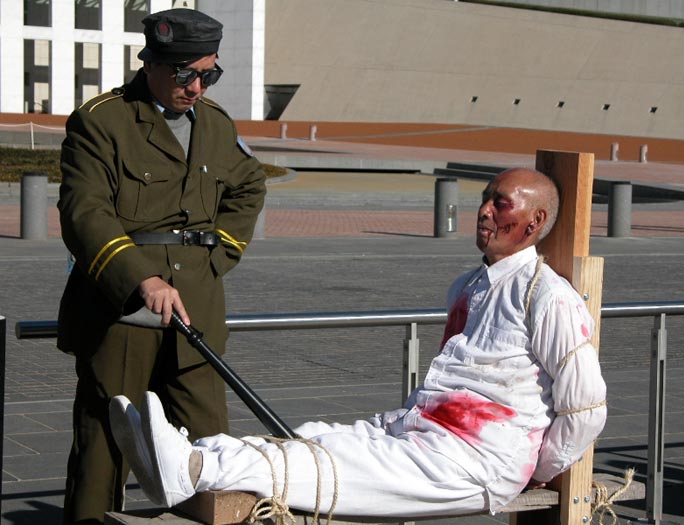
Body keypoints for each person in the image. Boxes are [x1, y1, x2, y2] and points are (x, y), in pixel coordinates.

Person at [109, 168, 606, 518]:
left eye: (501, 204)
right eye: (485, 198)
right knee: (310, 437)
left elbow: (585, 407)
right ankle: (195, 452)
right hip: (423, 430)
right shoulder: (469, 286)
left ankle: (195, 467)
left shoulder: (548, 297)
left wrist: (538, 468)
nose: (483, 211)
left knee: (333, 466)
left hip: (477, 459)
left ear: (534, 222)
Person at [57, 8, 266, 524]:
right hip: (121, 312)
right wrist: (140, 277)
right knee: (105, 447)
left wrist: (218, 255)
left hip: (195, 307)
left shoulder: (215, 124)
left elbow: (249, 184)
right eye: (185, 74)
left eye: (208, 75)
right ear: (150, 63)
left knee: (211, 446)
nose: (196, 87)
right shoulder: (102, 120)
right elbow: (85, 212)